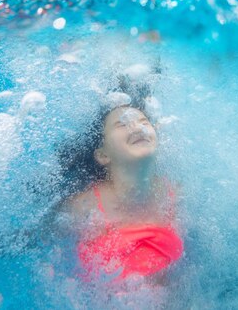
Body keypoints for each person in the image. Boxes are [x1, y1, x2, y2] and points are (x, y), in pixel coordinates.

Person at [56, 97, 184, 283]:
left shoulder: (175, 194)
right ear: (102, 154)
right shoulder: (84, 206)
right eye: (122, 124)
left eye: (144, 122)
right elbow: (39, 237)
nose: (137, 127)